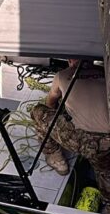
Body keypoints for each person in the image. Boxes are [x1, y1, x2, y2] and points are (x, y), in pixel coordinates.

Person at [30, 60, 110, 206]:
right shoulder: (106, 71)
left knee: (39, 112)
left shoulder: (62, 75)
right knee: (106, 173)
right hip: (107, 144)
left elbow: (50, 104)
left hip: (85, 141)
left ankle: (56, 158)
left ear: (69, 60)